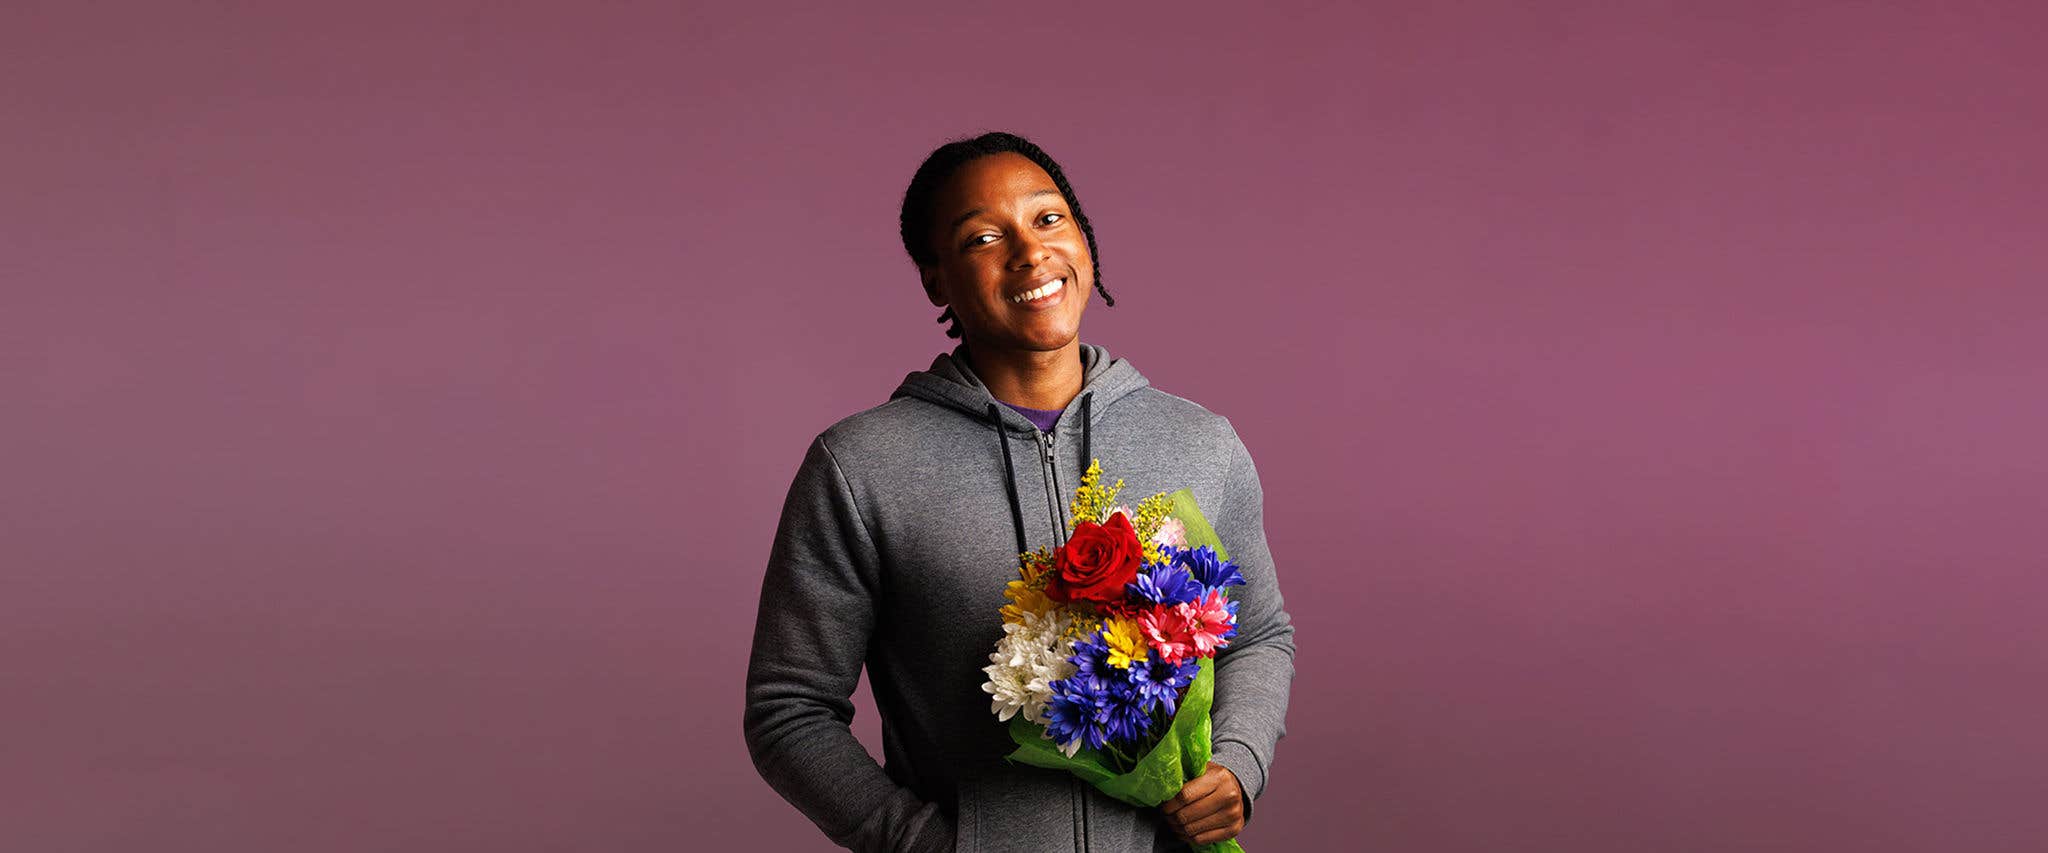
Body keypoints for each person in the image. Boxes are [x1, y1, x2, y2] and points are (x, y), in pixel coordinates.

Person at [743, 131, 1295, 852]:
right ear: (935, 278)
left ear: (1084, 240)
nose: (1030, 252)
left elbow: (1258, 634)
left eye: (1048, 218)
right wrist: (927, 843)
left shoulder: (1200, 441)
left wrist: (1238, 763)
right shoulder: (860, 465)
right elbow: (788, 708)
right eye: (982, 238)